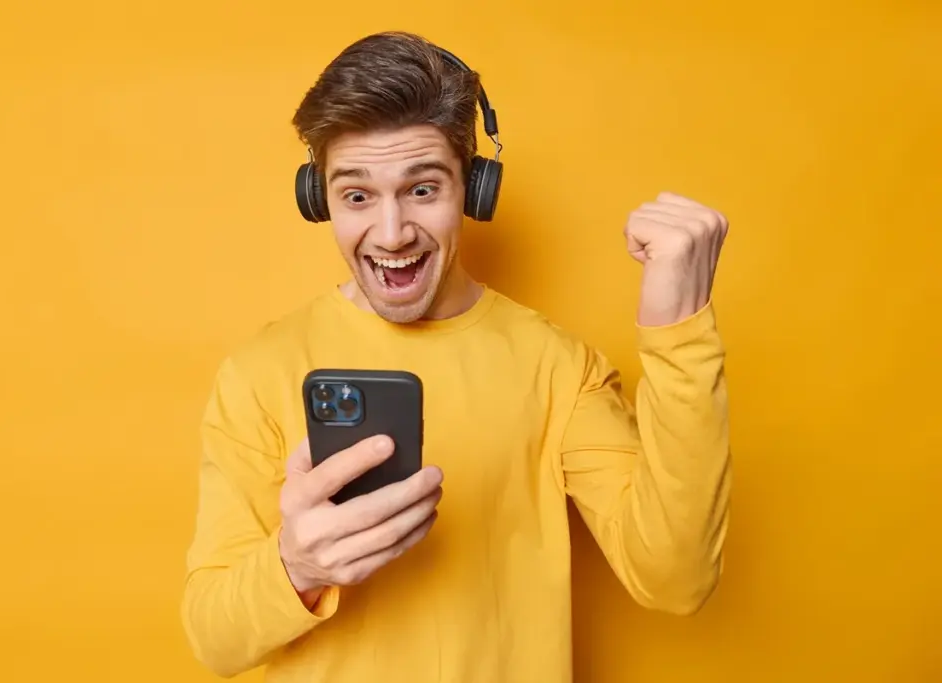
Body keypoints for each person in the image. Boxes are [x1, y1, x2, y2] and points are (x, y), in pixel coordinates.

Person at [180, 30, 732, 683]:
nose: (391, 234)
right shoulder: (257, 372)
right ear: (318, 198)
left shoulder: (557, 366)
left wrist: (678, 328)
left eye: (422, 189)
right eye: (357, 195)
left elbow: (676, 576)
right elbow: (213, 638)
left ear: (472, 189)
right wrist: (296, 565)